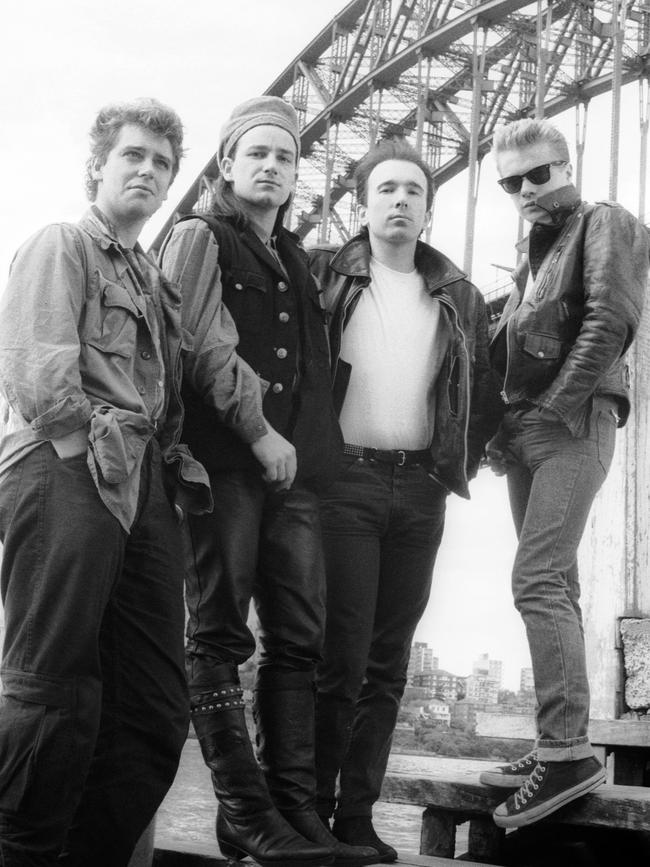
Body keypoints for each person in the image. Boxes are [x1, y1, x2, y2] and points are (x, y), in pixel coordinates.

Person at [159, 97, 376, 867]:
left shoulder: (295, 258)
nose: (273, 166)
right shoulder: (197, 236)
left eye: (285, 157)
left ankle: (294, 815)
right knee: (218, 631)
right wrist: (257, 429)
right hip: (223, 464)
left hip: (297, 478)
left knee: (300, 641)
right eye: (257, 153)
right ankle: (244, 811)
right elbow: (193, 341)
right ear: (226, 163)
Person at [0, 98, 212, 867]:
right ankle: (22, 850)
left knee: (154, 707)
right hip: (69, 467)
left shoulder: (157, 281)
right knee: (53, 689)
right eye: (134, 156)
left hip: (145, 481)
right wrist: (76, 452)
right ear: (99, 164)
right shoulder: (63, 243)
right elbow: (36, 369)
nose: (149, 171)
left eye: (162, 163)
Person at [307, 138, 500, 861]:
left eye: (412, 190)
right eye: (385, 188)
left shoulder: (459, 295)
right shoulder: (326, 271)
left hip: (420, 489)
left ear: (428, 205)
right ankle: (311, 808)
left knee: (387, 662)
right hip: (344, 483)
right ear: (363, 202)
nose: (399, 200)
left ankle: (355, 814)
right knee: (341, 654)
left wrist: (455, 461)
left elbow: (482, 394)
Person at [479, 118, 649, 828]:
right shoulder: (533, 253)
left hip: (574, 421)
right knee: (561, 584)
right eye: (511, 182)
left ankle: (567, 752)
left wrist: (552, 405)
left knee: (536, 576)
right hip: (532, 431)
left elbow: (610, 317)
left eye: (538, 173)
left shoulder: (603, 221)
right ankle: (562, 740)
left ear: (566, 164)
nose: (525, 189)